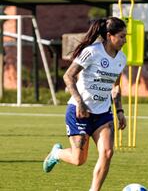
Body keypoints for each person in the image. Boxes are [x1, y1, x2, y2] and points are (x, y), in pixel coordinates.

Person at [43, 17, 127, 191]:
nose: (125, 41)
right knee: (78, 160)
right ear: (109, 36)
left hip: (103, 113)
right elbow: (68, 76)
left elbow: (116, 86)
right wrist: (80, 102)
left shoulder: (121, 59)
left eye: (126, 37)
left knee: (108, 153)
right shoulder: (92, 52)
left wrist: (119, 110)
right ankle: (56, 153)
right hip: (79, 111)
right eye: (121, 36)